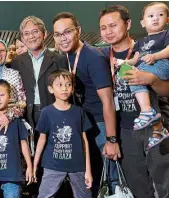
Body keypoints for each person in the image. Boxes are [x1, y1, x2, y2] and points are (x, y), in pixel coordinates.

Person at [99, 4, 169, 197]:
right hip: (127, 128)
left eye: (113, 25)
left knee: (166, 184)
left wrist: (150, 79)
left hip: (158, 124)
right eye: (103, 27)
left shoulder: (145, 49)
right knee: (137, 185)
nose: (108, 32)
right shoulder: (101, 56)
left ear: (128, 24)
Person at [52, 12, 120, 195]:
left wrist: (111, 139)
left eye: (67, 32)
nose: (63, 38)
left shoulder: (94, 57)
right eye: (58, 34)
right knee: (91, 176)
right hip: (81, 125)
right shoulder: (63, 58)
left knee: (111, 177)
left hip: (100, 124)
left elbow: (108, 102)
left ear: (78, 31)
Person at [11, 16, 68, 197]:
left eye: (35, 32)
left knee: (51, 154)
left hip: (51, 112)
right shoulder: (17, 61)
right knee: (30, 153)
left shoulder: (58, 58)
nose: (31, 36)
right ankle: (33, 190)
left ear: (44, 34)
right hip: (26, 115)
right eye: (26, 33)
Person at [120, 2, 169, 149]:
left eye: (160, 15)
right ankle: (158, 130)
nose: (155, 19)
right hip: (148, 67)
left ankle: (146, 111)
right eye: (151, 16)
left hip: (163, 65)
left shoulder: (167, 34)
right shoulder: (140, 42)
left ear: (167, 20)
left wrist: (156, 56)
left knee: (137, 76)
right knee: (137, 81)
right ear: (142, 22)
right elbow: (135, 58)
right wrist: (123, 62)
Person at [33, 69, 92, 198]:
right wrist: (34, 165)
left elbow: (84, 141)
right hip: (53, 164)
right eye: (59, 85)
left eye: (68, 84)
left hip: (77, 166)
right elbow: (41, 140)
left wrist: (88, 170)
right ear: (51, 89)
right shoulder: (46, 112)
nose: (64, 88)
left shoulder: (79, 112)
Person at [0, 79, 33, 198]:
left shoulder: (17, 121)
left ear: (9, 96)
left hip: (12, 176)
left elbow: (24, 144)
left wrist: (29, 166)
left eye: (1, 95)